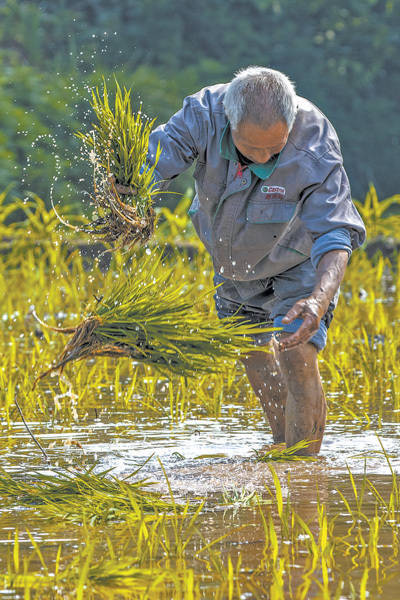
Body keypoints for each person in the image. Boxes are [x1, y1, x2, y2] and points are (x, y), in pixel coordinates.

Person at [125, 66, 366, 455]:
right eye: (252, 148)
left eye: (275, 148)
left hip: (296, 258)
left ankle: (301, 473)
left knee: (297, 353)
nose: (264, 157)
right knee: (252, 353)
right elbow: (152, 165)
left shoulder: (313, 142)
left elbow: (335, 233)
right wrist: (128, 200)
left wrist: (318, 302)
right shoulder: (202, 115)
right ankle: (283, 446)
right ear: (229, 119)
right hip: (232, 260)